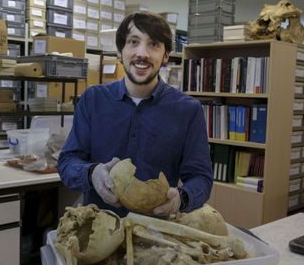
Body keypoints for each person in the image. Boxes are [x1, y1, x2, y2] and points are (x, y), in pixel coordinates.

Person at [57, 11, 213, 218]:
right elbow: (68, 162)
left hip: (158, 235)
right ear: (120, 52)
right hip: (98, 228)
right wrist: (92, 173)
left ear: (166, 55)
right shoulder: (92, 100)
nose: (143, 54)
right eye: (133, 42)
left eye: (154, 44)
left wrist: (181, 198)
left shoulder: (188, 110)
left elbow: (201, 178)